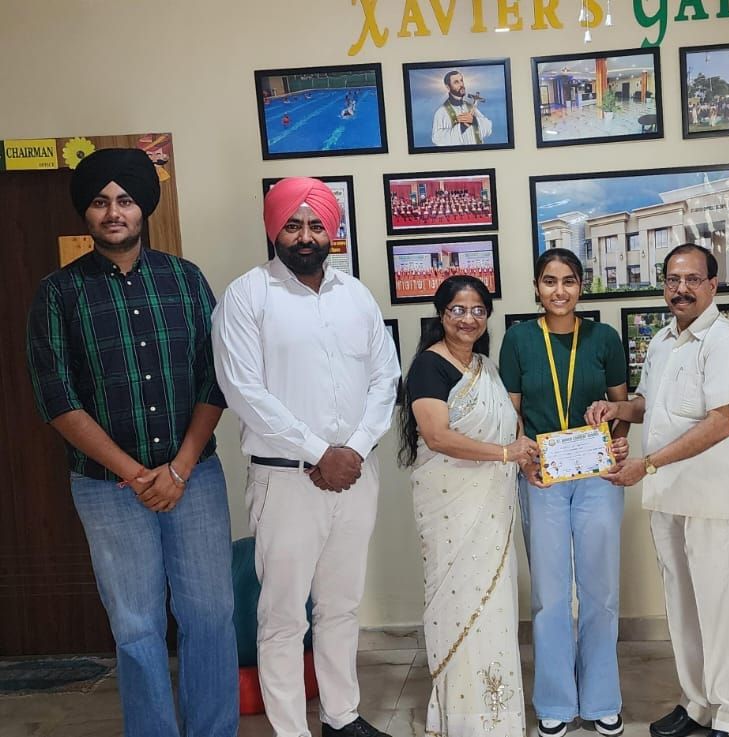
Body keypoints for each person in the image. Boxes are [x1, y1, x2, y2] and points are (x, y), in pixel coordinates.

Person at [26, 147, 238, 737]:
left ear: (144, 207)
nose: (113, 212)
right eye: (100, 202)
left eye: (124, 200)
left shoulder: (185, 279)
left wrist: (180, 467)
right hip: (106, 488)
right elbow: (56, 397)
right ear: (86, 213)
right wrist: (135, 473)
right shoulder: (58, 293)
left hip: (195, 478)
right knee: (136, 625)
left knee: (211, 614)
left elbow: (216, 377)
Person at [213, 177, 400, 737]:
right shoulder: (247, 296)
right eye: (293, 225)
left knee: (341, 606)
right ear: (274, 228)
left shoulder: (356, 295)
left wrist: (354, 449)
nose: (305, 236)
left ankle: (341, 718)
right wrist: (320, 452)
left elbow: (385, 379)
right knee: (282, 615)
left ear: (331, 232)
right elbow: (244, 390)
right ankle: (292, 729)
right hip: (285, 480)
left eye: (316, 225)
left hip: (355, 476)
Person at [586, 244, 729, 737]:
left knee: (720, 610)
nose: (681, 289)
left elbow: (720, 422)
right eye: (672, 280)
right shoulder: (663, 341)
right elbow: (650, 405)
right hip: (667, 497)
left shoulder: (723, 342)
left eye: (692, 279)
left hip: (711, 500)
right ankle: (697, 703)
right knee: (682, 606)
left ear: (713, 285)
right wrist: (617, 409)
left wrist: (647, 464)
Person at [498, 249, 631, 737]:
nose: (560, 291)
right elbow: (512, 412)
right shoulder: (518, 339)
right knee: (550, 594)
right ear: (537, 286)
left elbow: (622, 408)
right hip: (543, 476)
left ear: (581, 286)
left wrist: (619, 442)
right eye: (550, 281)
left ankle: (602, 699)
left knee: (601, 589)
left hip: (598, 476)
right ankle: (554, 700)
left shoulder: (604, 337)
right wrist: (523, 458)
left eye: (569, 281)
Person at [397, 276, 536, 737]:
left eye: (478, 310)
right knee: (457, 603)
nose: (468, 318)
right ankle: (461, 720)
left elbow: (510, 429)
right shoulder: (428, 366)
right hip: (450, 507)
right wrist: (506, 454)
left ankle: (496, 719)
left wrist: (525, 457)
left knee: (493, 603)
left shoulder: (485, 368)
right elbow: (437, 437)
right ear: (441, 314)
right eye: (457, 309)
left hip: (491, 508)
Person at [432, 70, 493, 146]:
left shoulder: (470, 107)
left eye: (461, 80)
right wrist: (462, 127)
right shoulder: (441, 112)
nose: (461, 84)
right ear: (448, 87)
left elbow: (488, 128)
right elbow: (437, 139)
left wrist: (474, 120)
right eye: (456, 82)